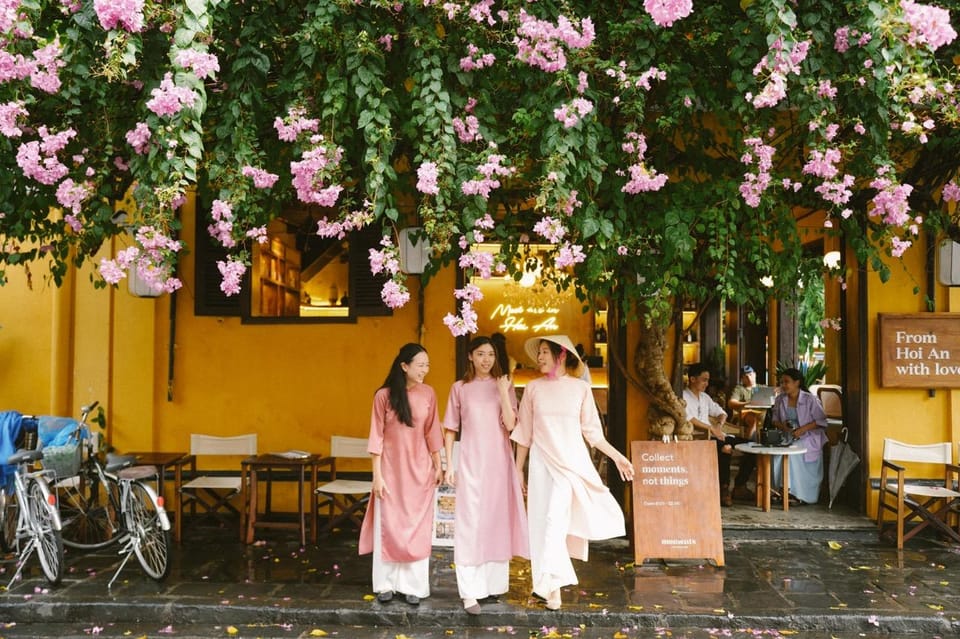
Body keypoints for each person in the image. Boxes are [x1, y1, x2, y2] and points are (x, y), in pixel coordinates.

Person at [510, 334, 634, 611]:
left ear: (561, 355)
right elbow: (524, 434)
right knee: (541, 525)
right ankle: (550, 589)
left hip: (571, 466)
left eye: (544, 352)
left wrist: (617, 457)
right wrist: (518, 469)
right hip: (542, 465)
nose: (539, 358)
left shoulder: (581, 389)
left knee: (554, 520)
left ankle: (548, 586)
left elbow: (593, 434)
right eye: (539, 352)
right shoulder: (532, 389)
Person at [442, 336, 529, 616]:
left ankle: (491, 586)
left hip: (499, 465)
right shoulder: (460, 388)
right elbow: (450, 428)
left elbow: (512, 424)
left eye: (490, 354)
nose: (486, 360)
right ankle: (469, 592)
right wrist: (448, 464)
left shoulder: (504, 385)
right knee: (470, 524)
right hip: (470, 463)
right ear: (470, 356)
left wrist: (504, 391)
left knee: (495, 522)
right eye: (480, 354)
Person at [358, 343, 444, 606]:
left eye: (427, 365)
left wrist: (438, 464)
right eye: (420, 365)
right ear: (404, 366)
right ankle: (385, 584)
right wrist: (377, 476)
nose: (425, 370)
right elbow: (377, 437)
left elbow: (433, 431)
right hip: (390, 472)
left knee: (415, 527)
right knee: (389, 526)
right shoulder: (383, 396)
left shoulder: (429, 393)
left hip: (420, 471)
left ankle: (413, 586)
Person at [683, 363, 756, 506]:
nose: (707, 383)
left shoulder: (705, 397)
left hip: (716, 434)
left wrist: (718, 425)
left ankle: (740, 486)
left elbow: (721, 412)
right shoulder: (683, 396)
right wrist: (711, 429)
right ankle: (724, 489)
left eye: (708, 380)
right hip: (698, 437)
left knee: (752, 446)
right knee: (726, 448)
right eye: (704, 380)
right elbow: (689, 418)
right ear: (692, 379)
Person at [769, 367, 828, 505]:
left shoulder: (810, 399)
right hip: (788, 435)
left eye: (786, 382)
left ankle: (796, 493)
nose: (783, 385)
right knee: (776, 454)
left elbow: (821, 421)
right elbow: (775, 420)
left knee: (793, 454)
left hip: (808, 436)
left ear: (797, 382)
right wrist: (784, 427)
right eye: (782, 382)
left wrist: (802, 430)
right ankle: (780, 489)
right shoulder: (780, 400)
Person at [728, 365, 762, 441]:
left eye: (750, 375)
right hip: (746, 414)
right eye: (746, 377)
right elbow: (731, 403)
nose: (749, 378)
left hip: (763, 413)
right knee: (753, 419)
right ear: (742, 379)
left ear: (755, 374)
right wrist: (748, 403)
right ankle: (747, 443)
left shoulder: (762, 388)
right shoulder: (740, 389)